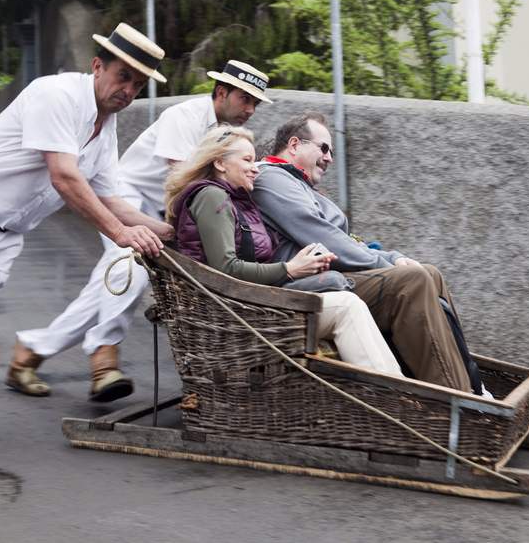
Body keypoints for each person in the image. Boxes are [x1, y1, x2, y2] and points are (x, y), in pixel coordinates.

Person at [0, 23, 173, 388]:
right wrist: (121, 234)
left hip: (3, 240)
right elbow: (65, 177)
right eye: (124, 77)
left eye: (138, 85)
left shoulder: (107, 127)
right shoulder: (57, 95)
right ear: (97, 66)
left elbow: (110, 198)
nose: (129, 90)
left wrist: (167, 232)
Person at [7, 60, 273, 401]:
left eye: (255, 102)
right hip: (125, 199)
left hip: (157, 209)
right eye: (245, 99)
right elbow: (180, 182)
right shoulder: (187, 116)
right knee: (129, 268)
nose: (250, 109)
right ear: (221, 92)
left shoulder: (224, 133)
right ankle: (104, 358)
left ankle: (29, 351)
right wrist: (184, 232)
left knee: (107, 285)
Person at [251, 112, 488, 395]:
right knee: (412, 280)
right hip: (308, 286)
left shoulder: (296, 183)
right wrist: (387, 262)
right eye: (324, 148)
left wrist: (392, 257)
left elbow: (342, 239)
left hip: (331, 275)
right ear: (294, 145)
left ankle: (473, 385)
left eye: (331, 151)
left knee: (429, 273)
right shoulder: (271, 179)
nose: (329, 158)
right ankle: (457, 402)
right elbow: (324, 239)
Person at [164, 126, 403, 376]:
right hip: (237, 314)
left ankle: (393, 391)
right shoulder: (212, 196)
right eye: (247, 160)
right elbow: (225, 269)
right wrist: (290, 269)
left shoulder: (236, 199)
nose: (255, 167)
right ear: (221, 164)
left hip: (252, 302)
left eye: (255, 160)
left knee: (346, 298)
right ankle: (395, 397)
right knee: (346, 306)